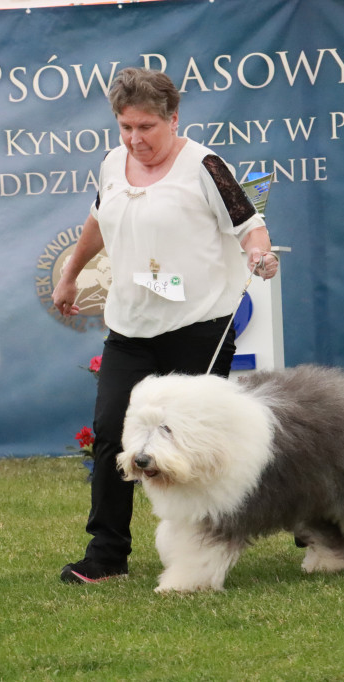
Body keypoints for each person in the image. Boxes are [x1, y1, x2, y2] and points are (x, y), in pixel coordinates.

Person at [52, 67, 279, 584]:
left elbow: (250, 226)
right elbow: (97, 221)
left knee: (200, 447)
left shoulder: (205, 166)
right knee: (112, 436)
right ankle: (106, 556)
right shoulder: (113, 164)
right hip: (130, 329)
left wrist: (261, 256)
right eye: (126, 127)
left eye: (147, 127)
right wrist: (71, 276)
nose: (136, 139)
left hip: (197, 327)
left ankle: (224, 540)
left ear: (174, 119)